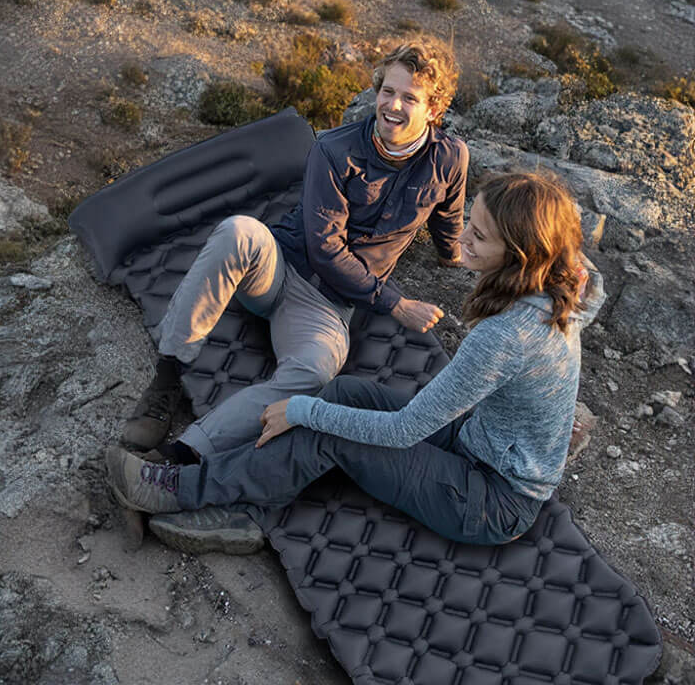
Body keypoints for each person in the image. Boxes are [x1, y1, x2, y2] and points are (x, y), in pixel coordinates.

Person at [107, 171, 604, 551]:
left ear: (520, 254)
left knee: (327, 426)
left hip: (491, 500)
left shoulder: (505, 335)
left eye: (478, 236)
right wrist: (575, 259)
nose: (462, 240)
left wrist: (300, 411)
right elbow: (592, 283)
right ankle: (253, 497)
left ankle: (179, 490)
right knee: (342, 392)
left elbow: (404, 431)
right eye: (468, 225)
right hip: (479, 446)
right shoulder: (567, 289)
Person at [121, 37, 469, 460]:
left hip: (327, 307)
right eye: (387, 91)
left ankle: (184, 454)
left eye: (408, 98)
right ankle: (167, 379)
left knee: (315, 373)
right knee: (239, 231)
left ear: (434, 110)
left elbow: (448, 216)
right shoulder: (334, 149)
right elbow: (325, 249)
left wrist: (454, 255)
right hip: (280, 268)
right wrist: (395, 305)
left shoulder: (450, 157)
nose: (392, 106)